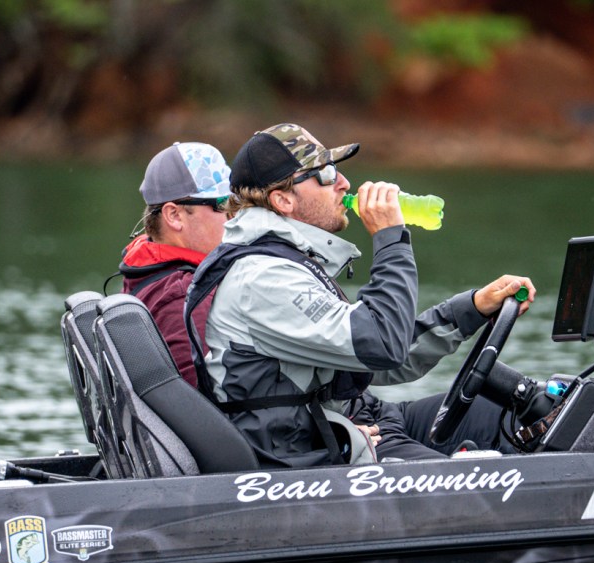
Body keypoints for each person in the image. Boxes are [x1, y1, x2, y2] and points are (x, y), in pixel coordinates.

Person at [184, 123, 535, 468]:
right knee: (478, 479)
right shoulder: (264, 278)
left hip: (351, 428)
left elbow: (381, 358)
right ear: (283, 200)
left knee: (516, 411)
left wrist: (469, 310)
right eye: (325, 174)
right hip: (308, 461)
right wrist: (390, 239)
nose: (344, 183)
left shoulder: (286, 262)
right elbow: (381, 345)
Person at [118, 141, 230, 387]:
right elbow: (202, 399)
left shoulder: (148, 274)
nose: (235, 215)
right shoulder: (184, 297)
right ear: (174, 215)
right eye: (223, 204)